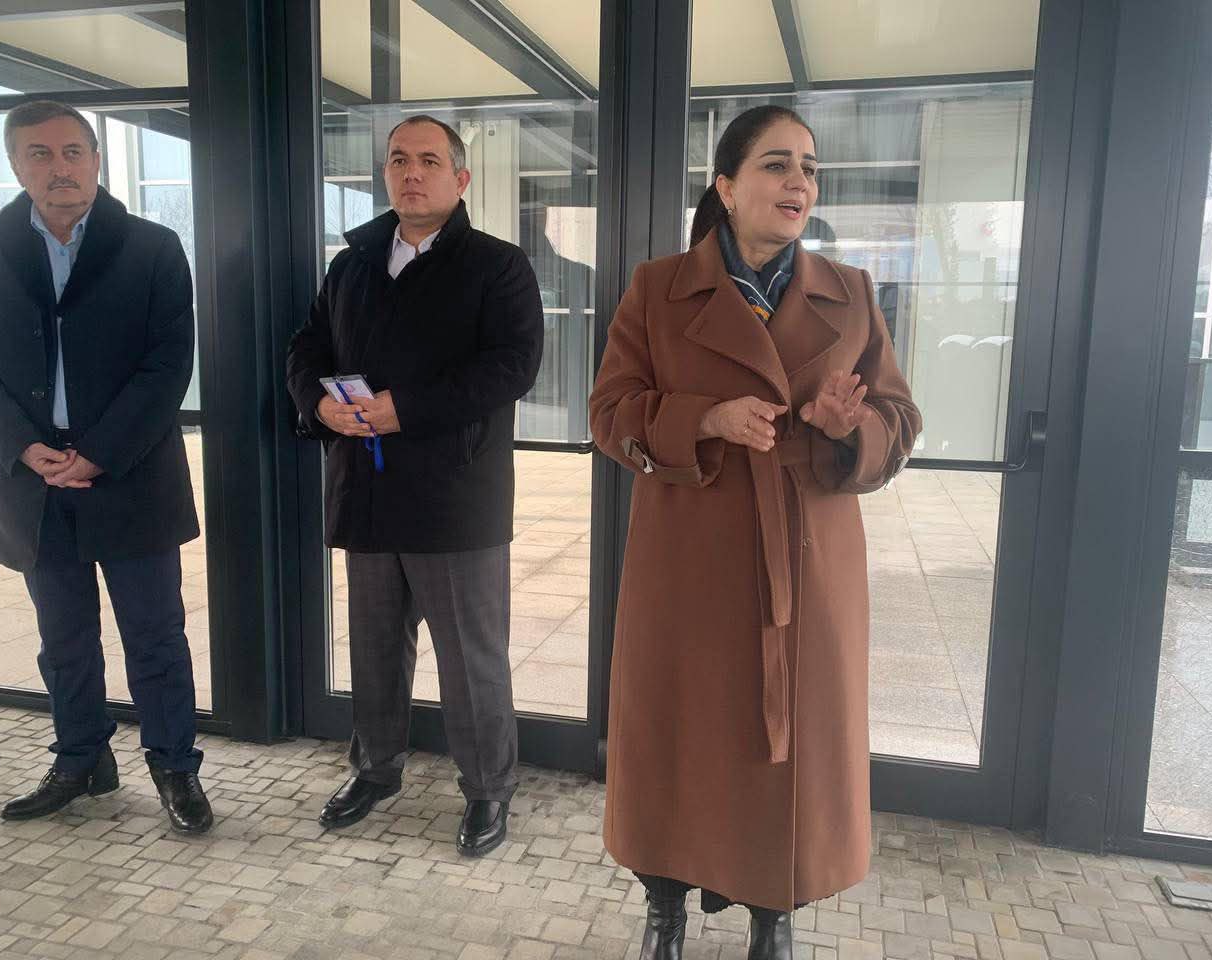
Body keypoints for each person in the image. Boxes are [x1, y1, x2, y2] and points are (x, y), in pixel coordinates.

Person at [589, 105, 922, 959]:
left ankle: (775, 912)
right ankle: (664, 906)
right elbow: (610, 412)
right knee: (675, 732)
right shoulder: (659, 288)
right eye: (777, 165)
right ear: (728, 187)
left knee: (792, 745)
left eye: (809, 167)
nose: (798, 182)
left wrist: (849, 426)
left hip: (807, 560)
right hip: (688, 556)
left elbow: (899, 420)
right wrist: (705, 419)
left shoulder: (850, 292)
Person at [287, 115, 543, 857]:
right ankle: (374, 769)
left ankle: (488, 788)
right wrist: (319, 406)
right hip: (364, 489)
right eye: (399, 160)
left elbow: (511, 366)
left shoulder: (497, 266)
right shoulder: (353, 264)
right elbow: (307, 347)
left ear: (460, 178)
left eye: (429, 161)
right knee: (373, 648)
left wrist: (407, 408)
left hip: (454, 497)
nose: (411, 173)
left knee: (470, 659)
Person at [0, 100, 212, 832]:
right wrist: (20, 444)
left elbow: (167, 366)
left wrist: (100, 453)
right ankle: (80, 760)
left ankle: (175, 767)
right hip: (32, 480)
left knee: (155, 635)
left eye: (73, 152)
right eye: (39, 154)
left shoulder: (153, 246)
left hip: (129, 474)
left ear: (96, 160)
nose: (59, 168)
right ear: (16, 164)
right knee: (63, 637)